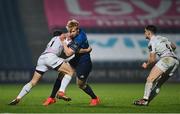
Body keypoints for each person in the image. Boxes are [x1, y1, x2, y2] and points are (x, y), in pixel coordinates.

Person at [9, 31, 91, 105]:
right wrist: (86, 50)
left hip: (42, 58)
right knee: (70, 72)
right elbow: (73, 50)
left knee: (33, 82)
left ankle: (18, 98)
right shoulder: (63, 38)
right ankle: (61, 92)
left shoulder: (52, 40)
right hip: (50, 57)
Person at [43, 19, 100, 106]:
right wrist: (86, 50)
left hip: (84, 62)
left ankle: (95, 98)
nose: (71, 33)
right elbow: (71, 33)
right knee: (62, 73)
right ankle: (52, 97)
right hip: (76, 59)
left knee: (81, 85)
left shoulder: (80, 38)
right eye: (69, 31)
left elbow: (68, 53)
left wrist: (64, 42)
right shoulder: (75, 31)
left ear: (77, 29)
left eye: (73, 31)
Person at [134, 25, 179, 106]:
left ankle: (144, 100)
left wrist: (146, 65)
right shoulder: (162, 38)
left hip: (166, 59)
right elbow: (174, 47)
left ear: (149, 32)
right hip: (175, 61)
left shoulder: (151, 42)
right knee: (158, 84)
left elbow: (152, 59)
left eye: (145, 31)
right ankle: (146, 101)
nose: (144, 33)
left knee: (150, 79)